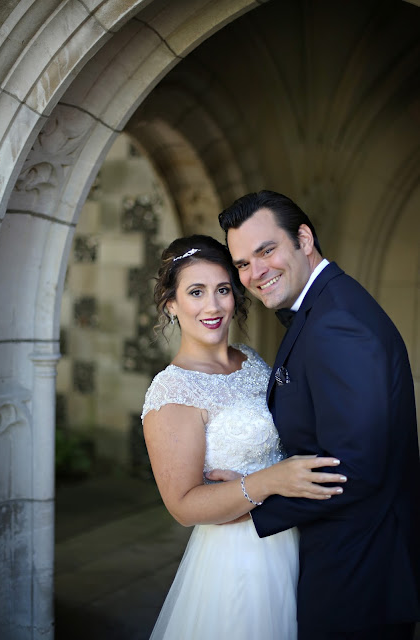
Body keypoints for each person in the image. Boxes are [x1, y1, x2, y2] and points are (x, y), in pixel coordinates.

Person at [213, 190, 420, 640]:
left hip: (359, 575)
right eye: (243, 263)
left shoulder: (337, 322)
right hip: (353, 566)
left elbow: (356, 468)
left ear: (303, 239)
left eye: (266, 251)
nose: (255, 273)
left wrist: (253, 502)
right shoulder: (325, 306)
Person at [142, 234, 346, 640]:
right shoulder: (173, 393)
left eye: (222, 290)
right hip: (239, 559)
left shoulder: (251, 360)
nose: (213, 306)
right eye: (196, 292)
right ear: (171, 303)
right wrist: (271, 481)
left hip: (291, 537)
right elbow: (183, 507)